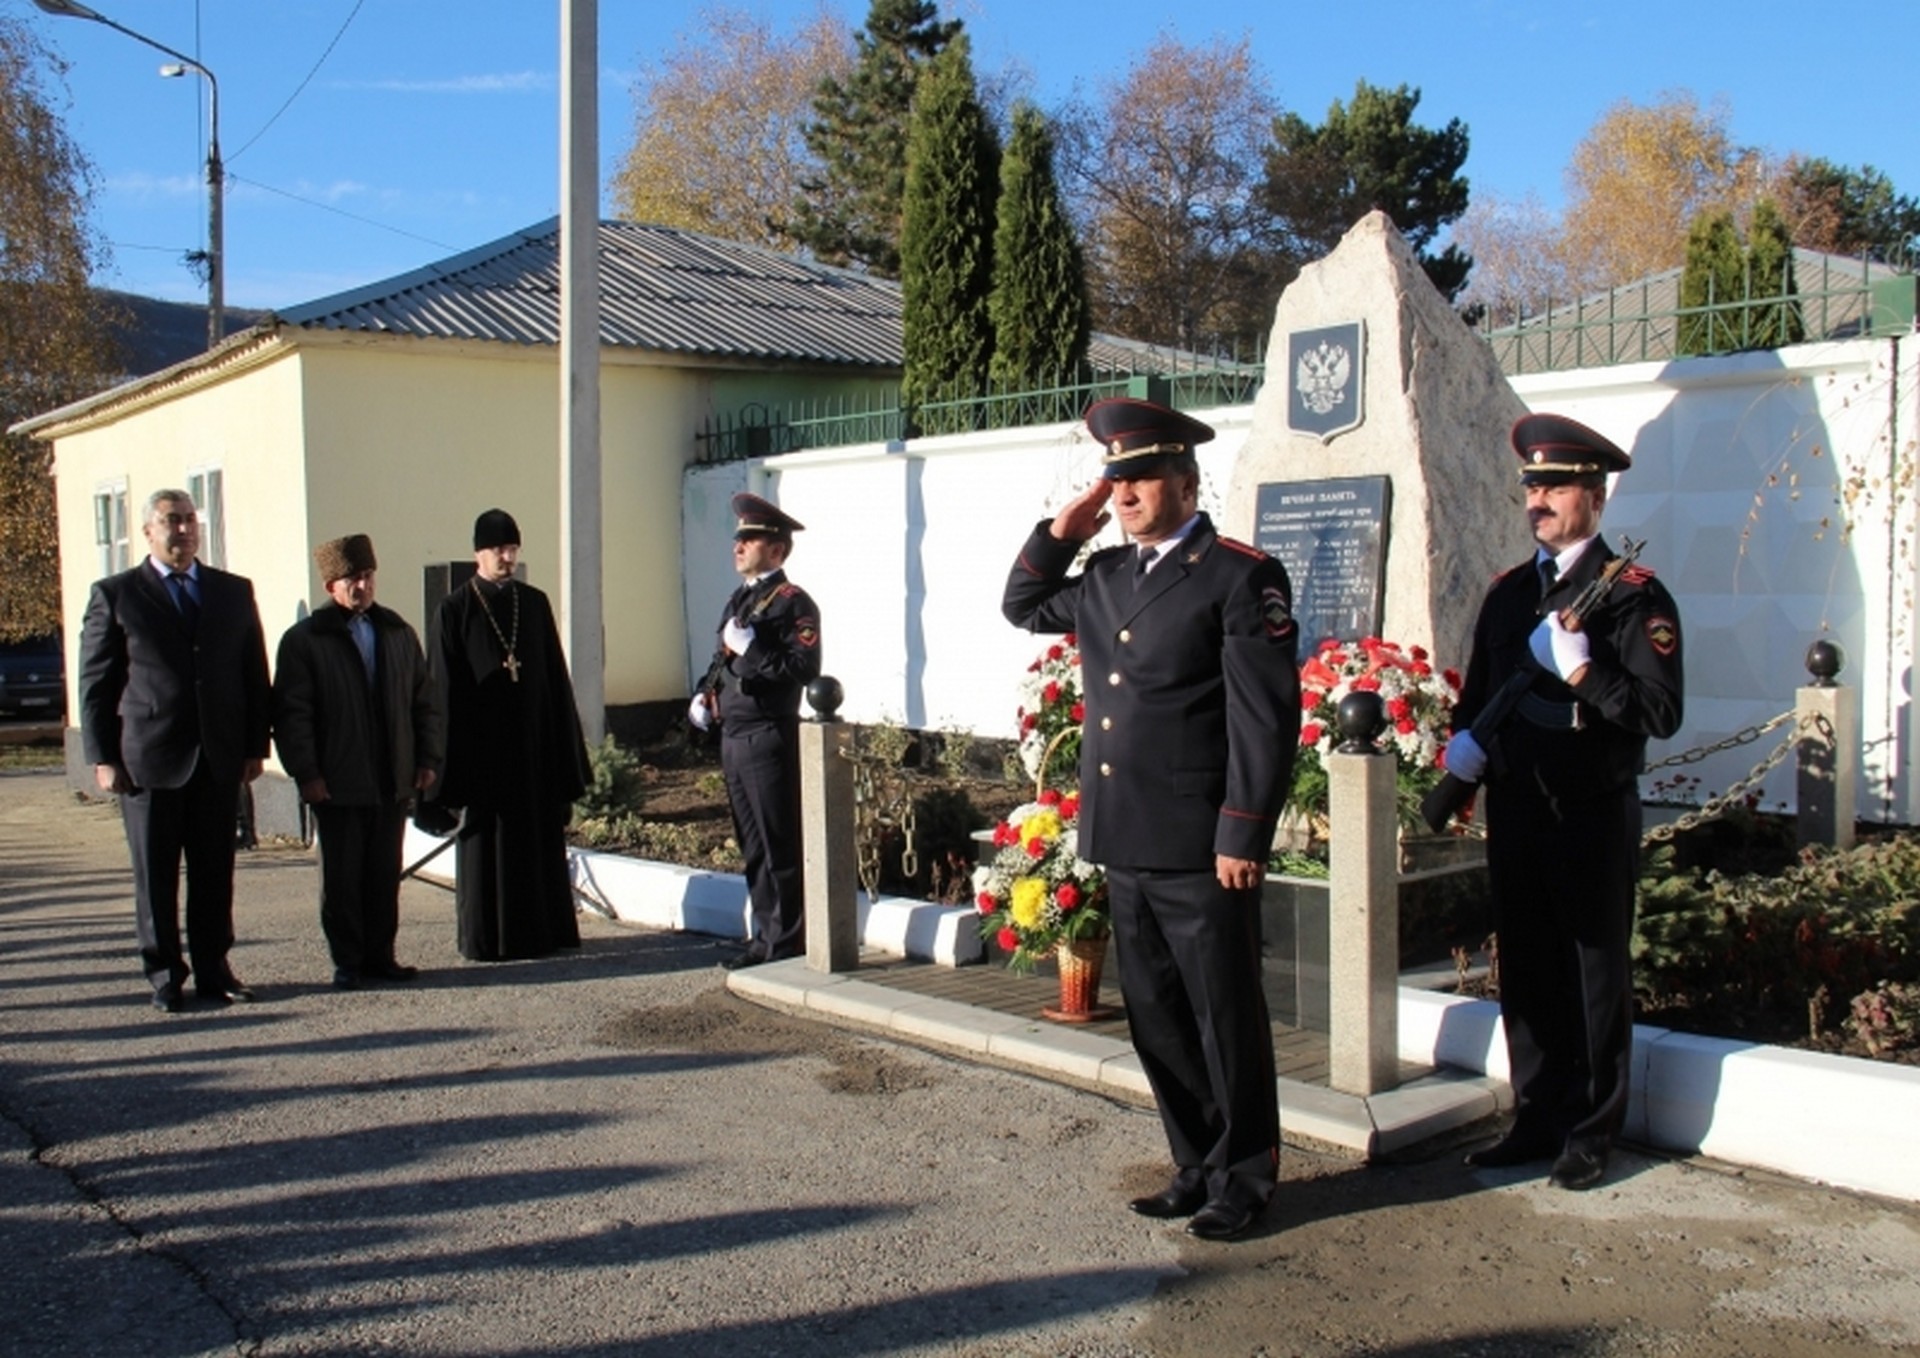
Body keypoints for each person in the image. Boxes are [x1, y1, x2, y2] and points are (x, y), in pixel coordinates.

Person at [1002, 398, 1300, 1241]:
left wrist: (1243, 828)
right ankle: (1195, 1162)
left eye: (1139, 478)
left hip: (1200, 842)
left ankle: (1247, 1173)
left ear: (1184, 480)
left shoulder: (1239, 576)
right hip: (1124, 834)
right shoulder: (1103, 577)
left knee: (1223, 1014)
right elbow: (1023, 605)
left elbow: (1264, 718)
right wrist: (1062, 530)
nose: (1124, 494)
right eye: (1114, 480)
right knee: (1156, 1014)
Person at [1447, 413, 1684, 1191]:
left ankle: (1591, 1130)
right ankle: (1536, 1114)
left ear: (1595, 494)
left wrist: (1585, 675)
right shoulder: (1510, 594)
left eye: (1554, 486)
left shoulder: (1633, 597)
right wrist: (1465, 755)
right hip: (1519, 809)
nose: (1538, 501)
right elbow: (1482, 696)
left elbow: (1658, 713)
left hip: (1589, 811)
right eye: (1532, 487)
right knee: (1529, 971)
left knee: (1592, 976)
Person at [78, 489, 271, 1012]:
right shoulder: (116, 595)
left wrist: (256, 745)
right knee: (155, 876)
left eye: (190, 519)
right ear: (148, 532)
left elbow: (253, 672)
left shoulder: (232, 592)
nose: (183, 529)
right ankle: (165, 974)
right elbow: (96, 684)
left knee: (214, 873)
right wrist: (102, 757)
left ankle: (215, 970)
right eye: (171, 521)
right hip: (147, 761)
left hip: (217, 757)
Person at [272, 535, 444, 990]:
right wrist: (307, 774)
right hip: (338, 781)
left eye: (367, 577)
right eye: (352, 579)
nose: (362, 587)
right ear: (331, 585)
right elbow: (294, 715)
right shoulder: (306, 641)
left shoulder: (396, 632)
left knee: (383, 873)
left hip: (391, 777)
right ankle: (348, 960)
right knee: (343, 877)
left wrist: (426, 759)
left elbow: (422, 702)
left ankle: (381, 956)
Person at [424, 509, 590, 962]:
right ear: (478, 552)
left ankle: (543, 933)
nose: (507, 557)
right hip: (482, 756)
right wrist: (442, 768)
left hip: (532, 748)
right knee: (488, 851)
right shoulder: (454, 609)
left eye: (513, 548)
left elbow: (555, 681)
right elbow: (441, 689)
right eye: (499, 549)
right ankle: (488, 940)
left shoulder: (533, 604)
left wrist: (565, 756)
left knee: (535, 846)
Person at [688, 493, 822, 969]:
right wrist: (705, 694)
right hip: (734, 733)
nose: (738, 545)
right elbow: (722, 656)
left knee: (777, 842)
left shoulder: (793, 603)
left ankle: (786, 940)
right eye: (738, 537)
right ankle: (764, 938)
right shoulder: (740, 598)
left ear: (778, 550)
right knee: (752, 846)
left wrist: (753, 652)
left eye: (750, 538)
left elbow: (803, 667)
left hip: (768, 734)